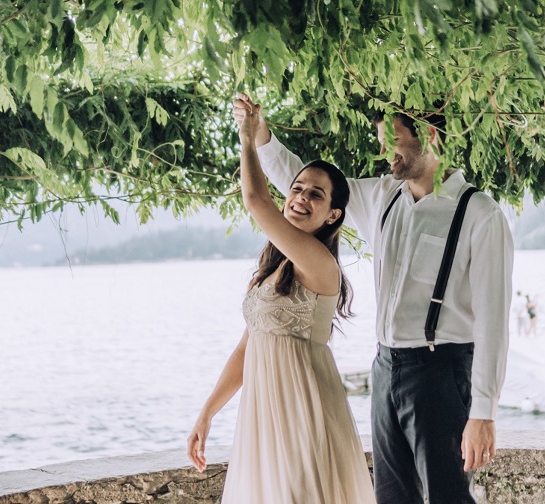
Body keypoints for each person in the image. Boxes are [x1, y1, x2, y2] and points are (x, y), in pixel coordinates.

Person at [233, 94, 514, 504]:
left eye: (392, 141)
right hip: (385, 367)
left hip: (442, 370)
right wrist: (260, 136)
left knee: (447, 496)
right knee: (391, 497)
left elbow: (493, 320)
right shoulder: (383, 196)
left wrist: (484, 412)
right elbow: (302, 178)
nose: (384, 154)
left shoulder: (479, 214)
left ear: (431, 136)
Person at [186, 98, 376, 504]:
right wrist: (207, 413)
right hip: (264, 415)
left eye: (316, 195)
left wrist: (248, 140)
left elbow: (256, 202)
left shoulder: (320, 263)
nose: (300, 198)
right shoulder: (275, 268)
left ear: (333, 215)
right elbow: (245, 348)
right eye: (296, 188)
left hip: (304, 411)